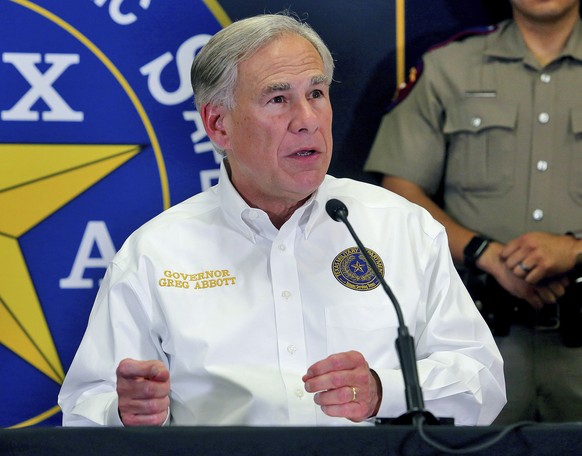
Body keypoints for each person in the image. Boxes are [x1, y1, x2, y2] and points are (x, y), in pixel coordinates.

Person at [58, 12, 505, 427]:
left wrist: (383, 390)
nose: (308, 120)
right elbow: (84, 407)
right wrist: (124, 413)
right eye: (278, 99)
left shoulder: (403, 228)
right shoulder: (154, 253)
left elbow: (483, 381)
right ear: (218, 125)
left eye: (316, 94)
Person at [365, 0, 582, 424]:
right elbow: (400, 188)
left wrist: (574, 250)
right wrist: (484, 253)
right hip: (478, 342)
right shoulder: (448, 66)